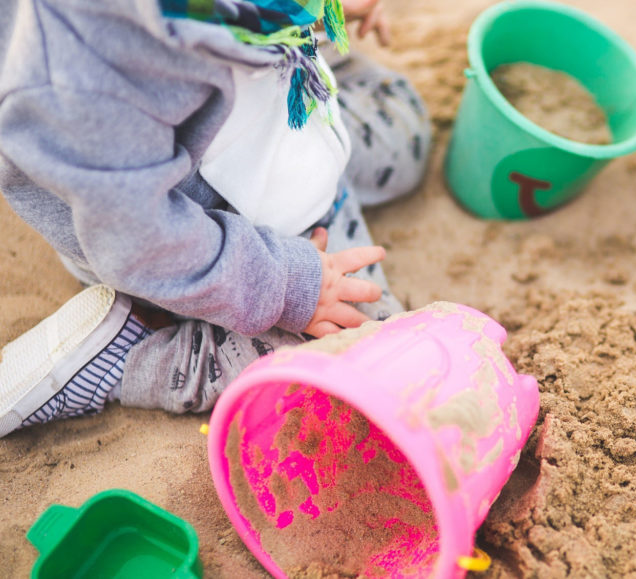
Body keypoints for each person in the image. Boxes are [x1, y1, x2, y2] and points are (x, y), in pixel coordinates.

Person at [0, 0, 431, 437]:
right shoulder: (79, 73)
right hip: (212, 246)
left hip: (285, 124)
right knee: (370, 355)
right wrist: (288, 286)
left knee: (406, 129)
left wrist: (316, 10)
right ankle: (131, 357)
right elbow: (143, 245)